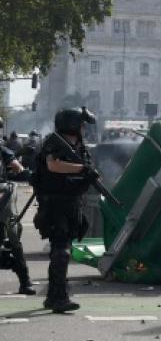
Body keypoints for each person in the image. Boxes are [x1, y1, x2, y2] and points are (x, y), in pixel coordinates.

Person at [32, 107, 98, 312]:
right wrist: (81, 169)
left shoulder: (78, 146)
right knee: (61, 252)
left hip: (72, 204)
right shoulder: (54, 142)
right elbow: (54, 166)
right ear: (72, 124)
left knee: (61, 251)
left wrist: (90, 175)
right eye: (81, 124)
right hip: (55, 205)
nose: (84, 128)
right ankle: (59, 296)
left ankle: (54, 296)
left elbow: (85, 168)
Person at [0, 145, 36, 295]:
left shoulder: (3, 151)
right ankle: (25, 282)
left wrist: (24, 172)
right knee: (13, 235)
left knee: (13, 233)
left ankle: (25, 281)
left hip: (2, 194)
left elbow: (18, 168)